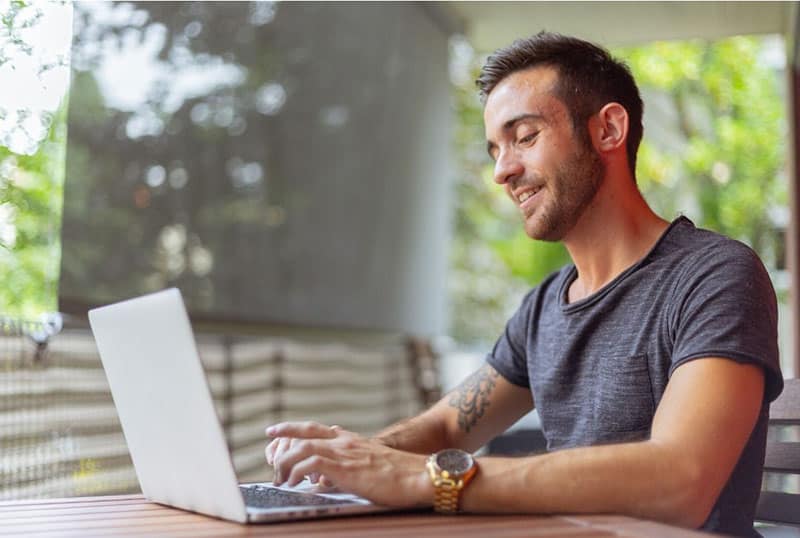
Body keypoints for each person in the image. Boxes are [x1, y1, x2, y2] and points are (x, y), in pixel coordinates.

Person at [264, 32, 783, 536]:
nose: (502, 171)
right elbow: (449, 428)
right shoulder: (543, 307)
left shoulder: (714, 276)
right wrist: (353, 459)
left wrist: (428, 479)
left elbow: (681, 482)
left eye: (525, 137)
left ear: (608, 130)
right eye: (494, 149)